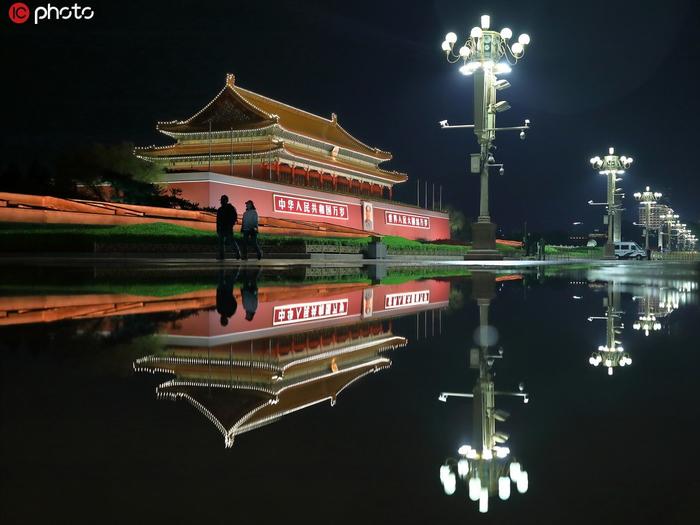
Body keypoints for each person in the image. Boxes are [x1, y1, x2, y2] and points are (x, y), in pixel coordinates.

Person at [216, 195, 240, 260]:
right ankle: (222, 256)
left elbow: (234, 217)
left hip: (228, 228)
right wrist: (217, 229)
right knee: (221, 243)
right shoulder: (219, 209)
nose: (221, 201)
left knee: (231, 241)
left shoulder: (231, 208)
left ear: (226, 200)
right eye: (221, 200)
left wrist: (231, 225)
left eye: (223, 200)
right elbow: (218, 220)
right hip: (221, 229)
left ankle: (237, 253)